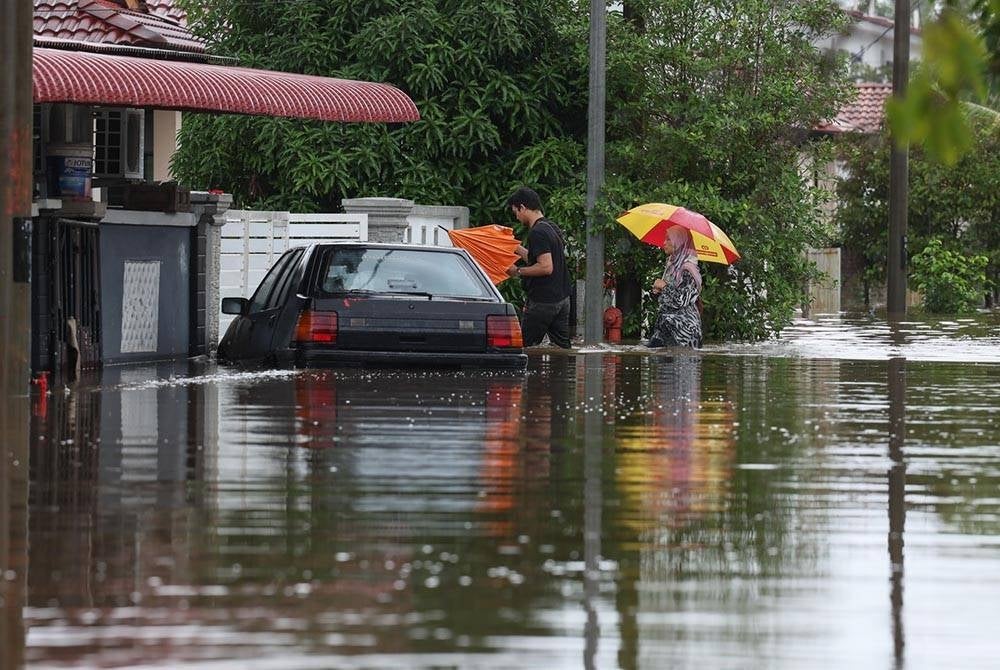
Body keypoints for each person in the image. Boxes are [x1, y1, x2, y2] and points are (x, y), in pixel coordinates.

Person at [504, 187, 572, 348]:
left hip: (543, 301)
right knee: (562, 348)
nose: (517, 217)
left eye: (516, 212)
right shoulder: (550, 227)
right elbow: (538, 258)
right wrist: (515, 247)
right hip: (562, 299)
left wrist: (517, 271)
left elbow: (546, 267)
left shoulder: (537, 232)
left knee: (524, 347)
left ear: (522, 207)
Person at [647, 226, 703, 348]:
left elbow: (682, 300)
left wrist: (664, 286)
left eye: (668, 239)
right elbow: (667, 300)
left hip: (683, 331)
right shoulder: (672, 267)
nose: (664, 243)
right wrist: (657, 291)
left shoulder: (688, 270)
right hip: (667, 326)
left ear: (679, 242)